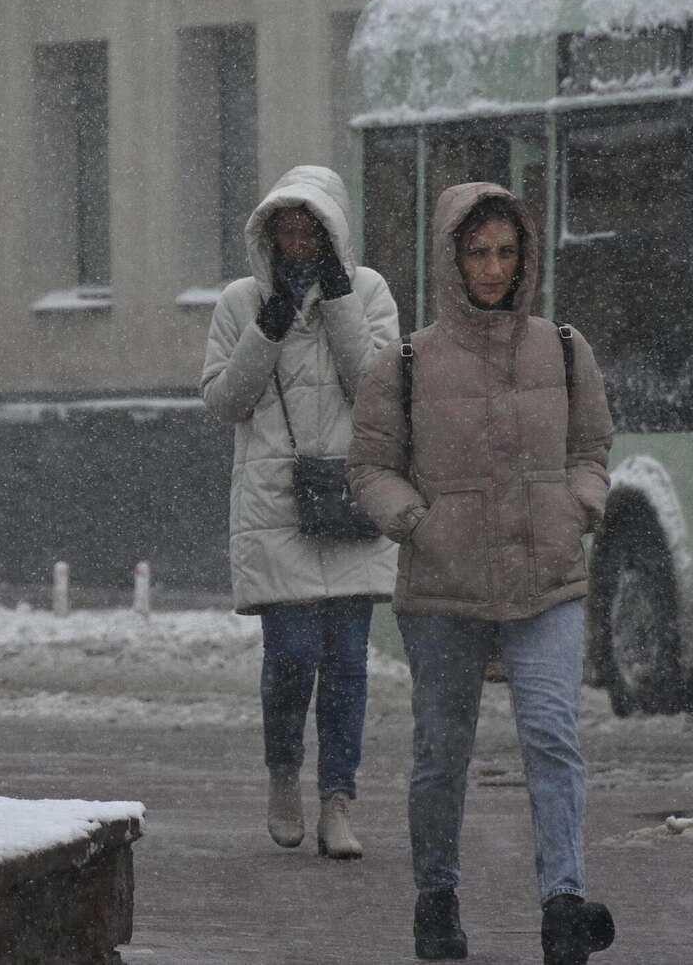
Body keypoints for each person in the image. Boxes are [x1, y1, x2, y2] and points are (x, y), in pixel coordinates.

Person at [349, 183, 617, 965]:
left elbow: (592, 446)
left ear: (525, 255)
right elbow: (370, 465)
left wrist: (579, 505)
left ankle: (563, 904)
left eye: (505, 251)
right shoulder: (407, 361)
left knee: (552, 735)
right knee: (441, 749)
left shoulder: (564, 348)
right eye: (477, 251)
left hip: (547, 579)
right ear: (451, 257)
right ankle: (437, 898)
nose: (493, 267)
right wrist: (418, 523)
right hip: (443, 589)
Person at [201, 165, 399, 861]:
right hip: (275, 505)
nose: (296, 240)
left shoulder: (370, 291)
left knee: (346, 663)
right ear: (268, 234)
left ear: (330, 230)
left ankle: (337, 801)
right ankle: (284, 774)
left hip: (349, 498)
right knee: (289, 657)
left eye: (308, 227)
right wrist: (269, 327)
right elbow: (224, 401)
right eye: (284, 228)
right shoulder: (239, 300)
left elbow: (379, 390)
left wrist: (340, 303)